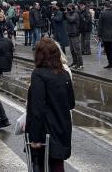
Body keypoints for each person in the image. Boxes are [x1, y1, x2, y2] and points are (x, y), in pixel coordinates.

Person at [26, 37, 76, 172]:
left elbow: (37, 108)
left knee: (40, 164)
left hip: (45, 130)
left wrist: (35, 137)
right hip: (62, 127)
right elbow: (71, 103)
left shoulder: (38, 75)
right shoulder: (65, 74)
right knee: (57, 164)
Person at [97, 3, 112, 68]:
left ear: (105, 6)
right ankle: (111, 62)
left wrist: (99, 34)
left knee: (107, 49)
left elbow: (100, 25)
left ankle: (109, 61)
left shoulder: (102, 13)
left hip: (105, 34)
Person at [65, 4, 83, 69]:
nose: (68, 9)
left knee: (77, 50)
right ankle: (75, 62)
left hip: (75, 33)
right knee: (72, 50)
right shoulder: (70, 13)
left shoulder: (75, 14)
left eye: (69, 8)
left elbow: (71, 20)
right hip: (70, 33)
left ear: (72, 8)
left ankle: (80, 64)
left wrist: (67, 13)